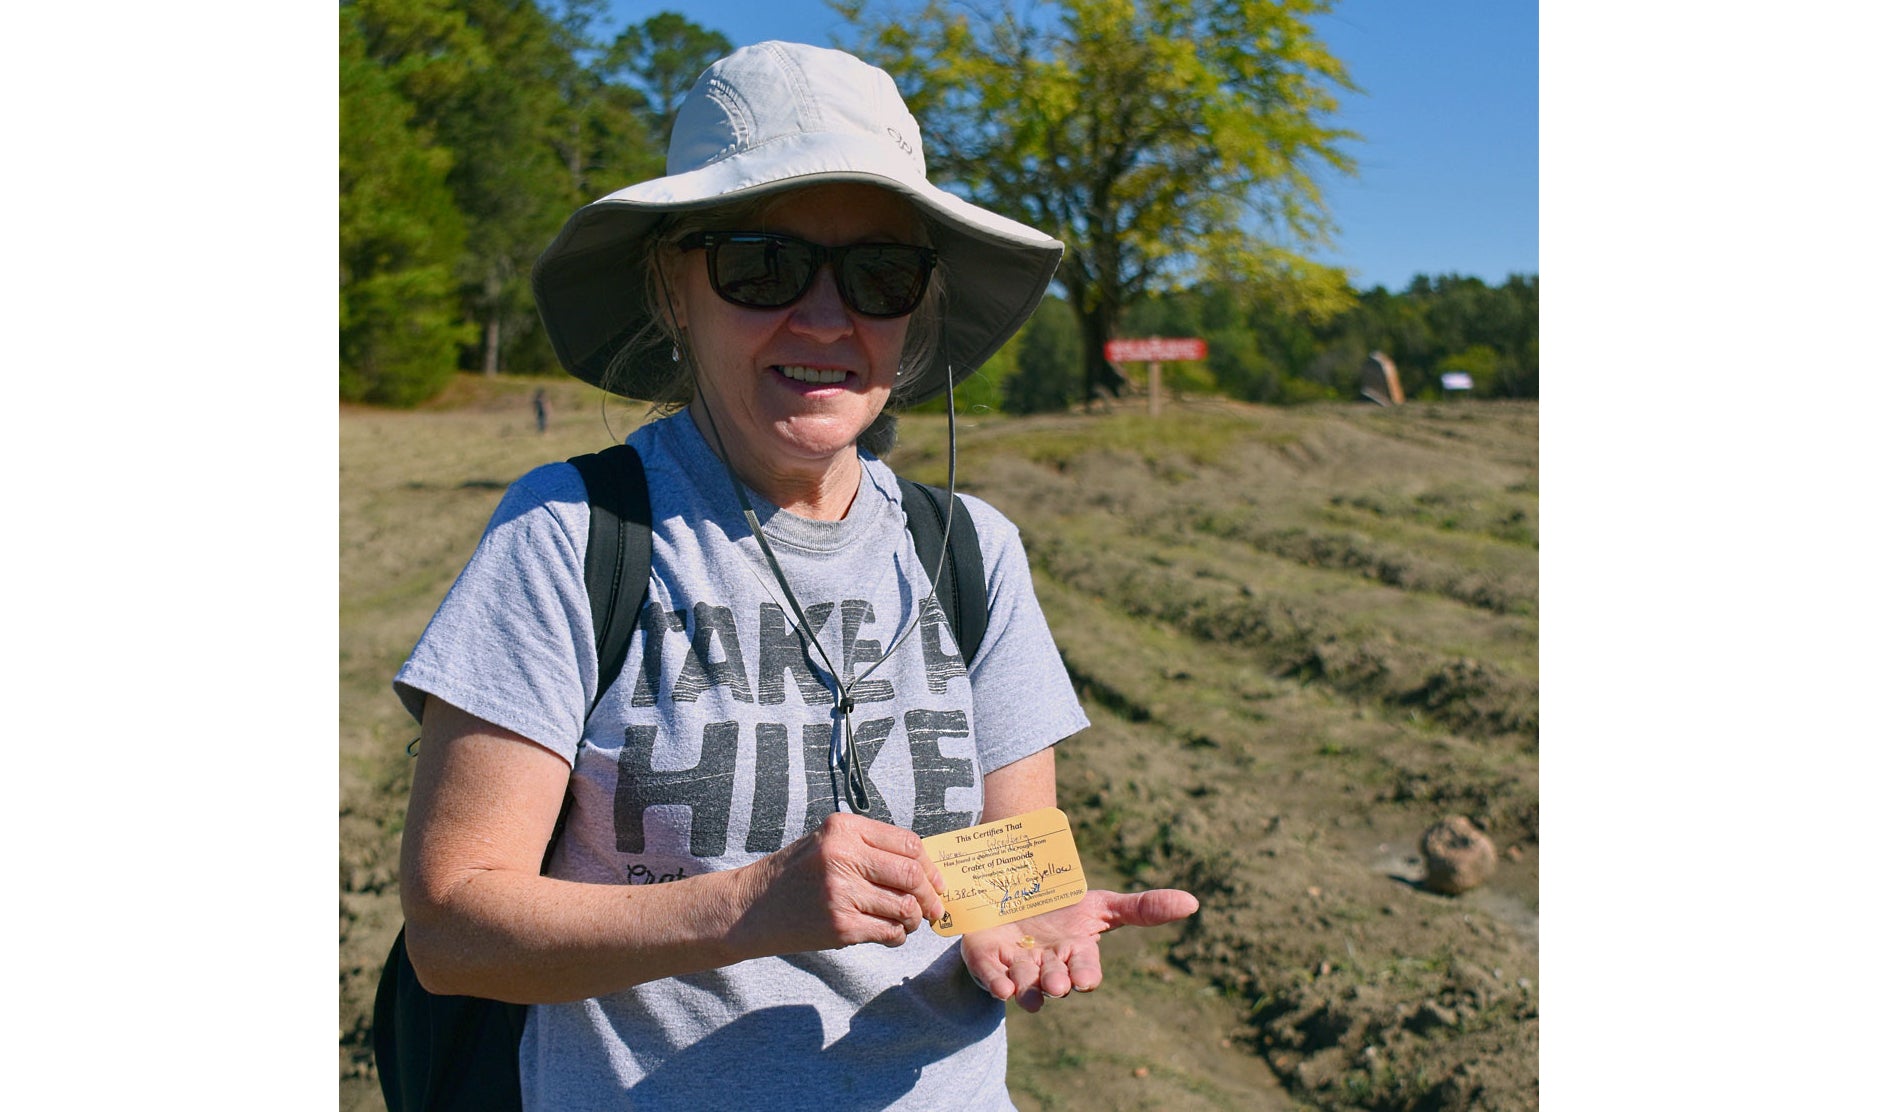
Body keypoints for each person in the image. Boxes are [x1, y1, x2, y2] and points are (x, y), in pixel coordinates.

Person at [393, 41, 1198, 1109]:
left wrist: (1016, 920)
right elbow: (452, 927)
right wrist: (752, 903)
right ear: (675, 284)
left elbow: (1006, 861)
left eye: (878, 274)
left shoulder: (974, 551)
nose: (826, 319)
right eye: (761, 265)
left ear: (915, 309)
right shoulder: (571, 534)